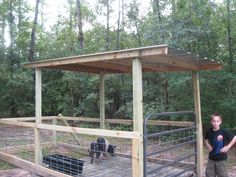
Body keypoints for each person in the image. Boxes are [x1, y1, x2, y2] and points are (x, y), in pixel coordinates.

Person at [204, 113, 236, 177]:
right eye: (214, 121)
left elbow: (235, 138)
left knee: (222, 175)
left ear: (220, 122)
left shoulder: (224, 131)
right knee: (208, 174)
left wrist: (227, 147)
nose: (215, 123)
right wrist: (208, 145)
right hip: (211, 159)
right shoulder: (209, 131)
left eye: (217, 121)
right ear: (211, 122)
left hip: (221, 159)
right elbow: (205, 138)